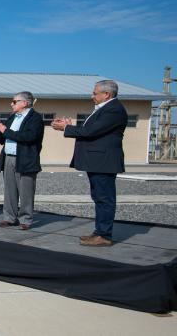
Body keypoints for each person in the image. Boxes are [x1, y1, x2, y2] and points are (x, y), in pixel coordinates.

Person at [52, 80, 128, 247]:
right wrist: (70, 126)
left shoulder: (113, 110)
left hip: (104, 162)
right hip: (97, 162)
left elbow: (91, 132)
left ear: (106, 94)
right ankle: (99, 232)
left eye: (95, 93)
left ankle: (104, 235)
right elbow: (92, 130)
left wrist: (66, 128)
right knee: (99, 197)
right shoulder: (104, 109)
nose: (91, 96)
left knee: (104, 198)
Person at [0, 91, 45, 230]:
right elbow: (3, 139)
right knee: (9, 190)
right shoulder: (12, 117)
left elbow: (29, 137)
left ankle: (26, 219)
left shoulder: (35, 118)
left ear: (25, 103)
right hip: (8, 157)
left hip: (25, 159)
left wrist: (5, 130)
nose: (11, 104)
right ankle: (9, 218)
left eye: (14, 101)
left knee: (26, 190)